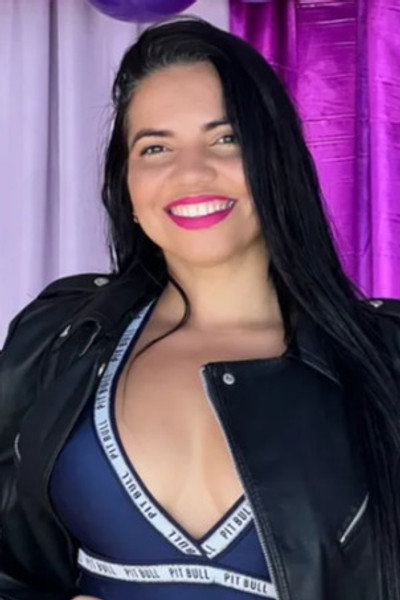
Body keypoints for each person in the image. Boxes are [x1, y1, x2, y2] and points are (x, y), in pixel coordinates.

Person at [1, 14, 400, 600]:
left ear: (277, 160)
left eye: (226, 138)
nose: (190, 172)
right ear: (127, 186)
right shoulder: (59, 336)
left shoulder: (387, 354)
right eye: (155, 147)